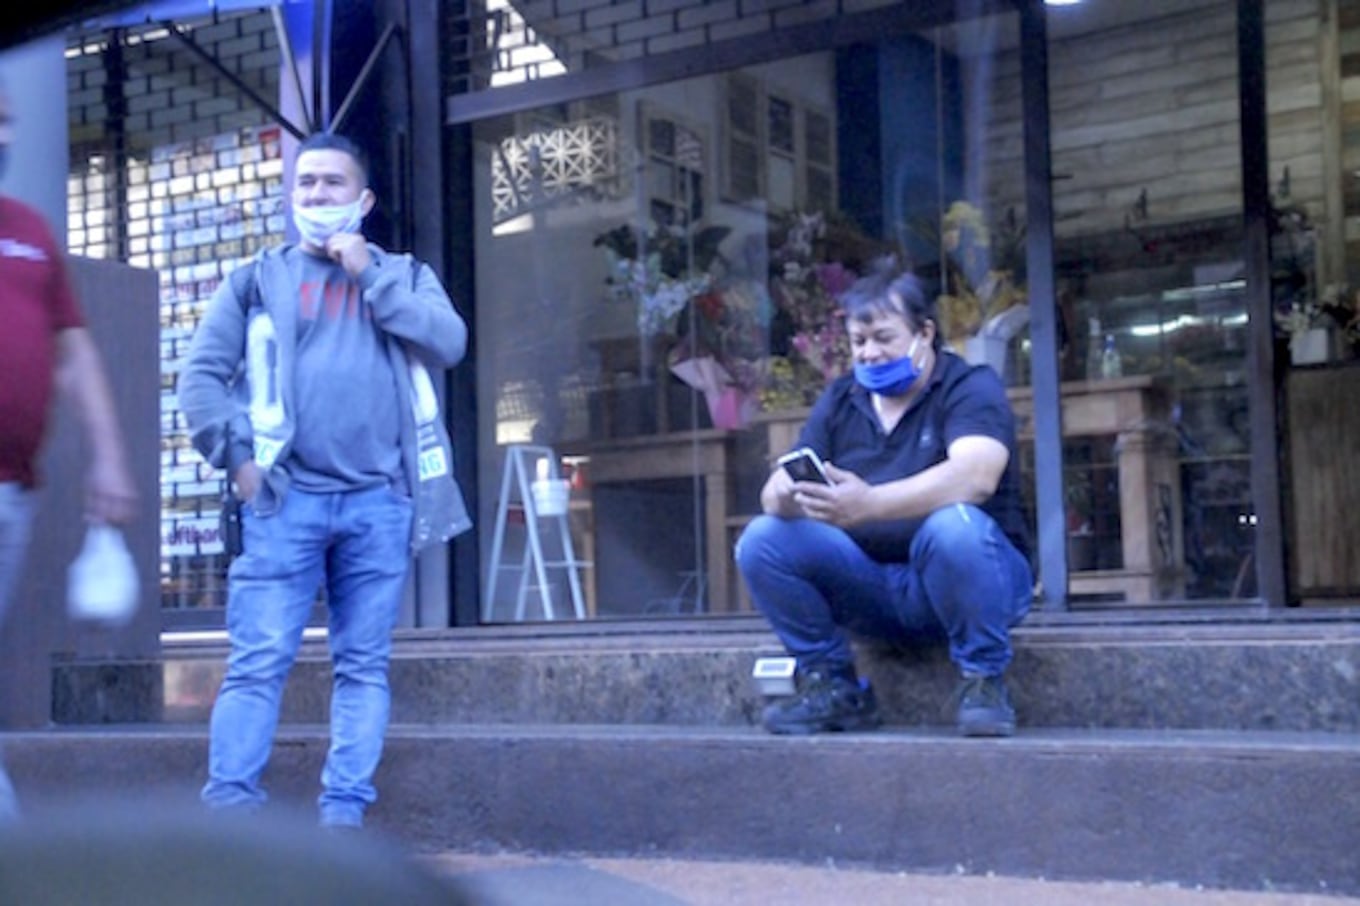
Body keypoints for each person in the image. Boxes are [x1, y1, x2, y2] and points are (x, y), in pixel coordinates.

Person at [179, 132, 471, 830]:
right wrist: (240, 463)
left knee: (363, 667)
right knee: (257, 663)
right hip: (284, 499)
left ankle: (344, 818)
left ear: (362, 200)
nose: (315, 194)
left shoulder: (403, 274)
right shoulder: (257, 278)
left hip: (379, 501)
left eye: (332, 183)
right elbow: (200, 379)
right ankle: (231, 820)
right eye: (305, 182)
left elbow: (448, 342)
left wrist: (369, 273)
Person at [735, 266, 1033, 737]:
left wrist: (870, 503)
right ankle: (833, 685)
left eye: (883, 338)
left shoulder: (970, 386)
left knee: (955, 526)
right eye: (858, 341)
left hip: (970, 585)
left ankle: (983, 679)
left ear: (924, 333)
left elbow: (976, 476)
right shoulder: (841, 399)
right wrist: (791, 494)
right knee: (763, 539)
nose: (869, 353)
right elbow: (774, 491)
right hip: (872, 586)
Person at [0, 80, 138, 819]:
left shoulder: (30, 230)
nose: (1, 137)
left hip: (11, 492)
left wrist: (109, 457)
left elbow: (74, 352)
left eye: (5, 121)